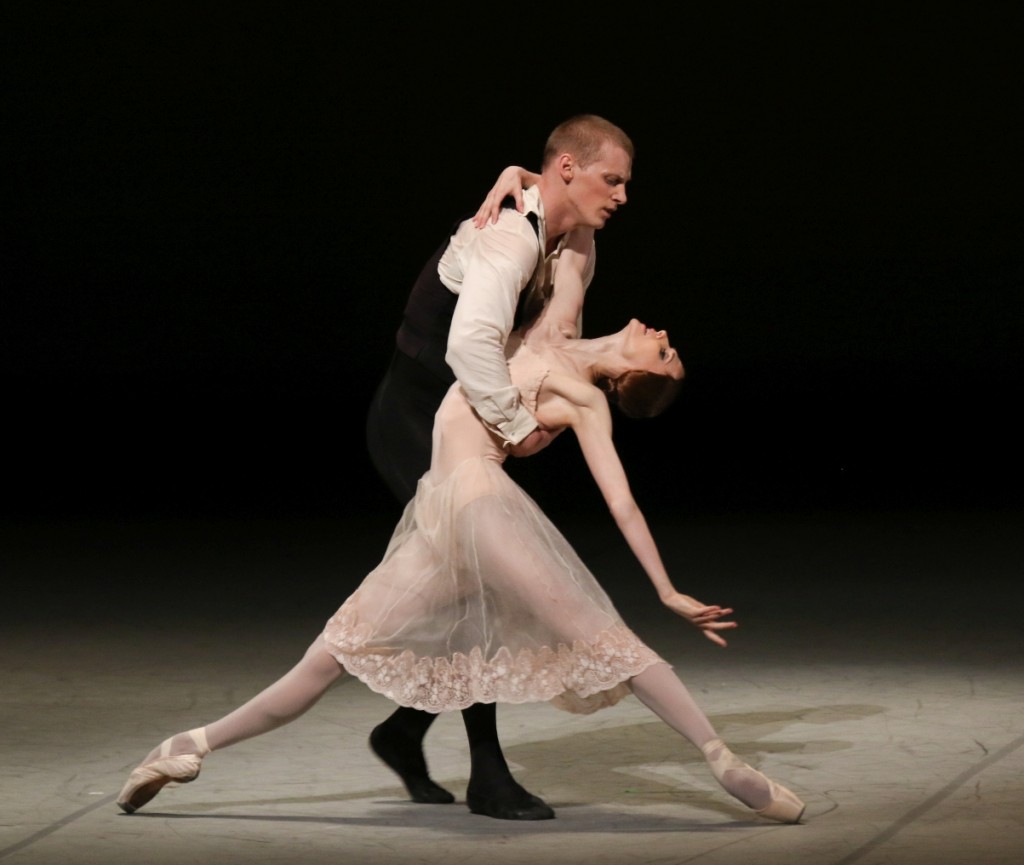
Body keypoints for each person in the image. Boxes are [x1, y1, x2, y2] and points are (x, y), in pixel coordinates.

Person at [116, 273, 807, 826]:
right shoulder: (556, 320)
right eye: (669, 343)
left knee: (604, 637)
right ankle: (189, 746)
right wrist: (518, 178)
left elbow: (620, 499)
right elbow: (572, 224)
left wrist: (664, 587)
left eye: (663, 352)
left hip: (480, 500)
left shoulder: (586, 401)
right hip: (437, 511)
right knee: (329, 654)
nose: (662, 335)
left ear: (633, 379)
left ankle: (721, 759)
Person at [361, 114, 632, 820]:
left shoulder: (576, 243)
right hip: (413, 420)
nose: (624, 194)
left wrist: (628, 361)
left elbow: (554, 343)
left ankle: (405, 729)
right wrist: (519, 428)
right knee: (479, 581)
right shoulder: (508, 231)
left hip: (471, 424)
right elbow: (470, 348)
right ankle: (483, 772)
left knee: (472, 585)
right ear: (568, 170)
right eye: (613, 179)